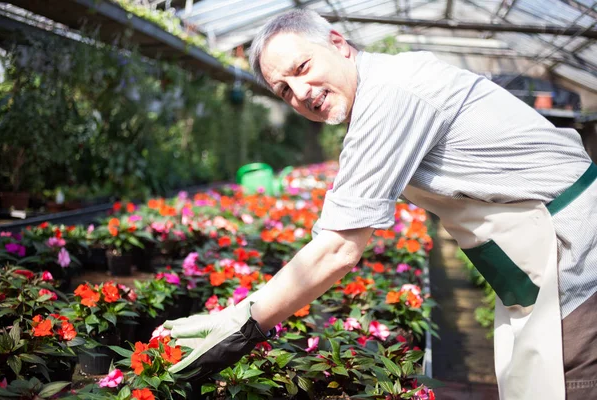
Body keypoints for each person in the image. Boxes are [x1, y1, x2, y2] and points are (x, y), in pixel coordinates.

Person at [164, 10, 597, 400]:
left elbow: (339, 248)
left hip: (577, 255)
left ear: (338, 43)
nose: (300, 92)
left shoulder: (391, 93)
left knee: (569, 383)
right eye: (284, 90)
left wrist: (243, 323)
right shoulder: (381, 91)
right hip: (543, 251)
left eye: (302, 67)